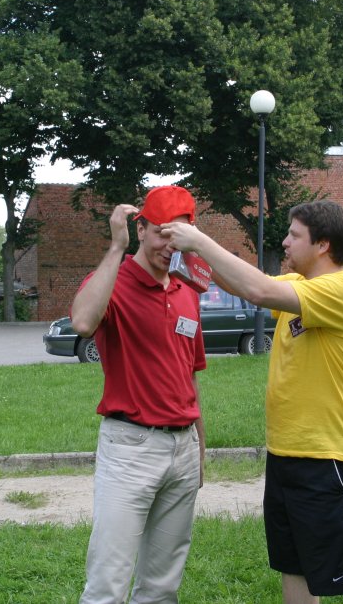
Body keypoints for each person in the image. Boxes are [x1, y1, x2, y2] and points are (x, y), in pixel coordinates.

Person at [163, 199, 343, 604]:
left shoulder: (342, 291)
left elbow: (258, 289)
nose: (285, 242)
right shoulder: (301, 285)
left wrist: (199, 239)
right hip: (286, 452)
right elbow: (243, 284)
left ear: (323, 245)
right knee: (293, 564)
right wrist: (193, 256)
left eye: (294, 235)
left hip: (328, 455)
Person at [72, 185, 207, 604]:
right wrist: (116, 247)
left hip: (183, 448)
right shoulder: (114, 280)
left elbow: (189, 377)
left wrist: (200, 449)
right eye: (163, 233)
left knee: (162, 585)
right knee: (108, 582)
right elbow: (82, 322)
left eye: (180, 236)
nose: (171, 246)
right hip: (131, 447)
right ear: (142, 228)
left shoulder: (186, 292)